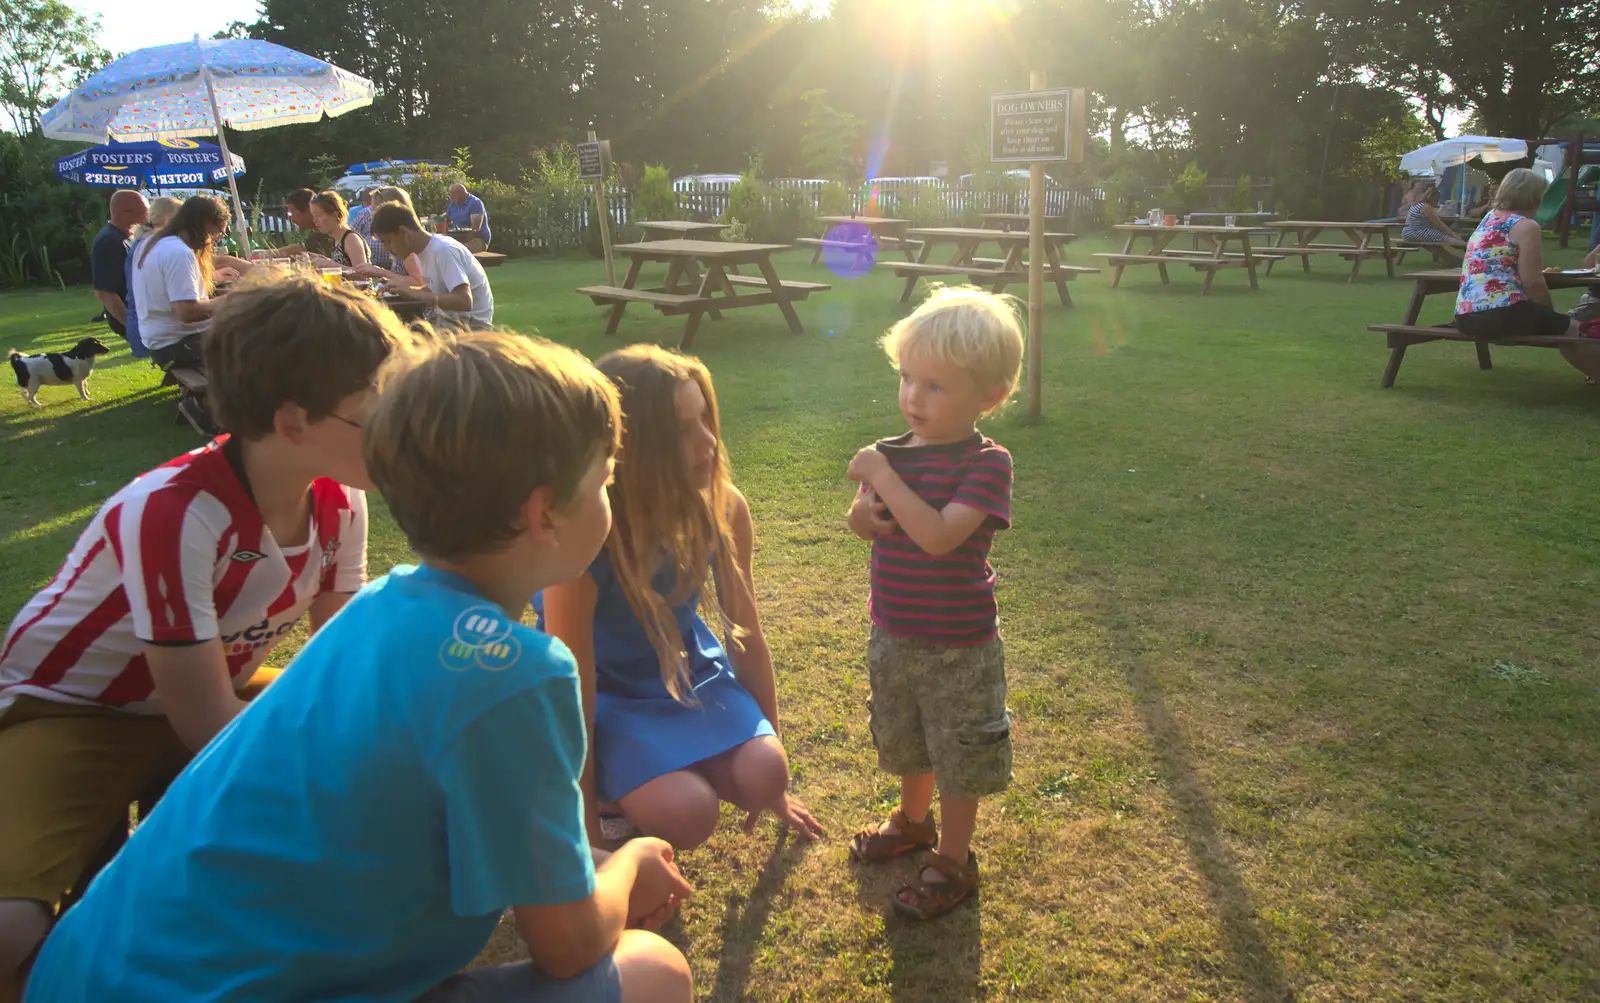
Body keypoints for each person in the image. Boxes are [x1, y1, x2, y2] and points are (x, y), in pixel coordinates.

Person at [20, 331, 696, 1003]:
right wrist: (632, 862)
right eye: (604, 478)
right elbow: (570, 943)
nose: (611, 493)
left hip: (78, 973)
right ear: (544, 512)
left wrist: (585, 867)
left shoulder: (378, 607)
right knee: (654, 973)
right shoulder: (518, 674)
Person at [0, 275, 403, 1002]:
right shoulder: (174, 510)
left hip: (211, 691)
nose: (402, 432)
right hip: (71, 709)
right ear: (291, 423)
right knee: (10, 929)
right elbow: (205, 722)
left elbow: (333, 668)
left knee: (384, 754)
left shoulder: (338, 499)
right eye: (379, 414)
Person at [537, 345, 823, 853]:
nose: (708, 442)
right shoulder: (583, 540)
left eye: (706, 420)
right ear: (629, 446)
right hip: (610, 699)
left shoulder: (722, 507)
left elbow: (747, 634)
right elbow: (571, 690)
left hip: (690, 676)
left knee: (765, 773)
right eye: (682, 430)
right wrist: (584, 830)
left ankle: (666, 768)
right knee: (689, 814)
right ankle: (613, 796)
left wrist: (776, 777)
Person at [844, 285, 1021, 921]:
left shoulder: (987, 464)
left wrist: (881, 478)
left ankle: (953, 857)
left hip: (959, 645)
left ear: (988, 396)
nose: (914, 398)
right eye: (908, 379)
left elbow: (942, 537)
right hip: (893, 631)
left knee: (958, 750)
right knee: (908, 737)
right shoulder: (894, 452)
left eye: (936, 386)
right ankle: (913, 822)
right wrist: (865, 514)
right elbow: (862, 522)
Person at [1456, 167, 1600, 383]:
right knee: (1574, 330)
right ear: (1534, 196)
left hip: (1466, 315)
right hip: (1502, 312)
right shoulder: (1526, 226)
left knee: (1564, 327)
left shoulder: (1489, 219)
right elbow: (1533, 281)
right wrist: (1549, 315)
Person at [129, 194, 229, 375]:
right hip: (178, 344)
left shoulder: (150, 243)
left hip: (160, 341)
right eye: (217, 233)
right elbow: (187, 312)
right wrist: (232, 301)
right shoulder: (178, 252)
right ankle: (226, 399)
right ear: (203, 225)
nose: (215, 240)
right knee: (258, 342)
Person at [371, 203, 494, 329]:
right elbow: (435, 290)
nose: (386, 249)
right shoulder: (422, 252)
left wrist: (415, 294)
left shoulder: (443, 250)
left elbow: (464, 301)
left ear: (403, 232)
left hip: (472, 327)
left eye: (388, 241)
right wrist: (406, 289)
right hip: (450, 321)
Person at [120, 196, 182, 360]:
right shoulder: (159, 244)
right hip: (149, 328)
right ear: (170, 219)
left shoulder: (144, 240)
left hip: (142, 323)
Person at [90, 189, 148, 342]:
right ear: (125, 213)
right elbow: (105, 292)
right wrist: (132, 326)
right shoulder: (109, 241)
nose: (147, 218)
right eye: (144, 212)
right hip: (128, 318)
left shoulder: (126, 237)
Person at [352, 186, 425, 287]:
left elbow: (418, 282)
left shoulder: (406, 243)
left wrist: (381, 272)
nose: (372, 215)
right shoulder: (399, 240)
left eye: (375, 210)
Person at [261, 188, 336, 259]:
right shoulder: (316, 233)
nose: (292, 219)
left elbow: (301, 248)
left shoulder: (328, 232)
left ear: (309, 211)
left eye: (294, 213)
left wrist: (269, 253)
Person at [1401, 184, 1467, 261]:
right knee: (1445, 237)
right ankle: (1467, 246)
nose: (1437, 202)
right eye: (1437, 199)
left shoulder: (1417, 204)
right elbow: (1439, 224)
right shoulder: (1426, 207)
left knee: (1440, 234)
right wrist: (1453, 234)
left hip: (1408, 232)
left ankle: (1451, 258)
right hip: (1415, 232)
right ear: (1432, 198)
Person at [309, 190, 370, 269]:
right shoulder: (337, 239)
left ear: (335, 214)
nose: (315, 221)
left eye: (318, 216)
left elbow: (362, 274)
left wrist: (330, 264)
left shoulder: (350, 238)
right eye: (313, 216)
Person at [445, 182, 491, 251]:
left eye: (452, 195)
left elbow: (475, 229)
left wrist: (461, 243)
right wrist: (435, 218)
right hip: (459, 238)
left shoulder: (475, 203)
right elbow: (446, 217)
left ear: (460, 193)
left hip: (477, 239)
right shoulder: (453, 203)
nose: (451, 198)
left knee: (458, 250)